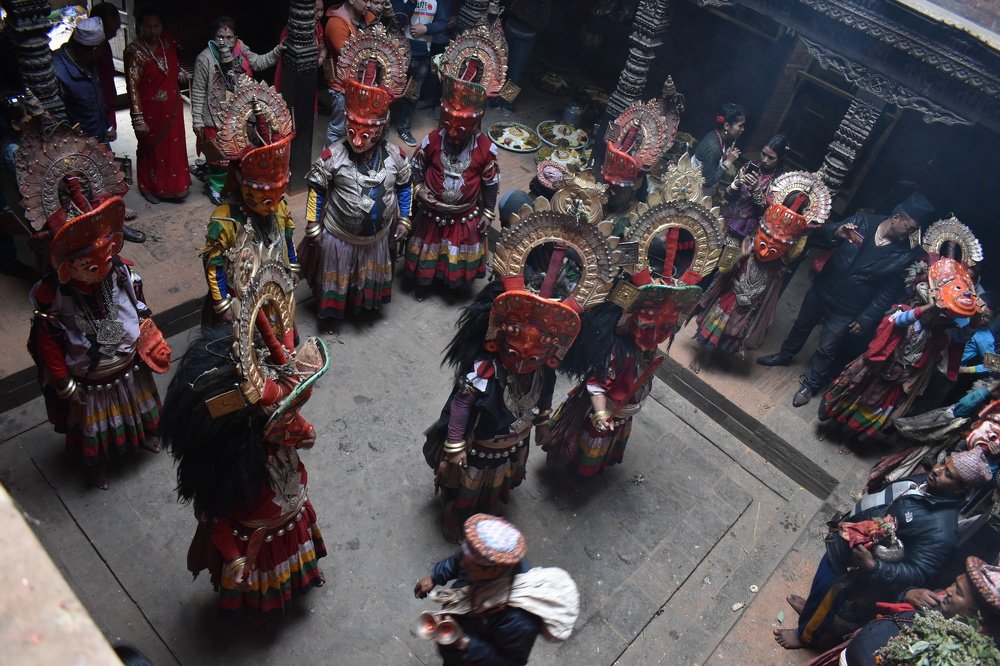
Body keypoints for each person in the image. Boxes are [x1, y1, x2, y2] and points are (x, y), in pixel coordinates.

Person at [161, 237, 330, 618]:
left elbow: (299, 431)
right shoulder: (229, 468)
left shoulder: (275, 434)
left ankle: (304, 576)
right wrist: (236, 560)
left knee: (297, 550)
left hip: (287, 510)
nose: (304, 428)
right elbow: (217, 522)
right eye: (288, 415)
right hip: (258, 533)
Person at [773, 449, 993, 650]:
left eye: (948, 474)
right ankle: (813, 611)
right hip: (847, 541)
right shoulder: (927, 483)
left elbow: (917, 572)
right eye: (942, 463)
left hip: (855, 562)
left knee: (830, 588)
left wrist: (872, 565)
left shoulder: (941, 532)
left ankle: (806, 635)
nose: (937, 470)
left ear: (961, 488)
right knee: (822, 585)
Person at [27, 190, 166, 490]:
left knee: (141, 404)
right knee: (92, 425)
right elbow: (47, 342)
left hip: (128, 361)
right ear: (67, 267)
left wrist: (148, 337)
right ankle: (95, 465)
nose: (102, 268)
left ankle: (148, 435)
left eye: (106, 259)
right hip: (89, 377)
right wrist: (63, 383)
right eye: (92, 266)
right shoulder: (53, 296)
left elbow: (137, 303)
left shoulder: (119, 272)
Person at [423, 278, 581, 541]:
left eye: (532, 358)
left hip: (514, 443)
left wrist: (543, 422)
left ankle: (487, 504)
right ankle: (455, 512)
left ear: (549, 353)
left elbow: (545, 396)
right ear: (499, 340)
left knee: (498, 481)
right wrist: (454, 445)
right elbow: (461, 405)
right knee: (466, 486)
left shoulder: (544, 371)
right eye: (513, 353)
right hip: (479, 445)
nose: (521, 364)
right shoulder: (484, 369)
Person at [757, 193, 935, 407]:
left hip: (849, 306)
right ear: (896, 218)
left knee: (827, 347)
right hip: (823, 288)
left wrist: (865, 318)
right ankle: (784, 356)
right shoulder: (862, 221)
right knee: (801, 326)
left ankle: (811, 385)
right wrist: (836, 232)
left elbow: (887, 292)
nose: (911, 233)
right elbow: (819, 237)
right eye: (910, 227)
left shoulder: (904, 254)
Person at [299, 25, 412, 325]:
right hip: (339, 237)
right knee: (336, 280)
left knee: (363, 282)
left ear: (382, 128)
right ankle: (335, 315)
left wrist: (405, 218)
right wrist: (312, 225)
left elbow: (404, 185)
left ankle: (362, 309)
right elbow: (317, 189)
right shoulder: (333, 156)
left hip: (375, 241)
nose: (358, 141)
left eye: (368, 134)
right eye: (352, 132)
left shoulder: (396, 157)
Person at [542, 270, 701, 476]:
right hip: (603, 413)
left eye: (665, 329)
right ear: (627, 319)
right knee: (581, 443)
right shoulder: (617, 352)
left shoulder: (647, 349)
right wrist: (600, 415)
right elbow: (597, 385)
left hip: (620, 413)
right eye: (647, 327)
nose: (654, 336)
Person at [819, 248, 980, 444]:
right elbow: (901, 320)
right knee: (852, 393)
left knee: (874, 406)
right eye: (933, 313)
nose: (935, 317)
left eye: (940, 315)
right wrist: (931, 306)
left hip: (897, 376)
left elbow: (957, 339)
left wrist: (973, 322)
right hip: (876, 366)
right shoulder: (905, 312)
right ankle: (831, 428)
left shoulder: (940, 331)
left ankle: (850, 436)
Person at [688, 173, 831, 374]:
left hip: (768, 274)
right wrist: (741, 256)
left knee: (744, 316)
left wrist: (803, 234)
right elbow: (724, 269)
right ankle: (703, 354)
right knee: (724, 310)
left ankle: (722, 351)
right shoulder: (758, 230)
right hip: (747, 263)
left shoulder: (798, 235)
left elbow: (792, 255)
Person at [413, 514, 580, 664]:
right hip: (457, 639)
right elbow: (457, 561)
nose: (462, 565)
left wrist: (463, 643)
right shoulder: (478, 561)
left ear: (493, 571)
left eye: (468, 565)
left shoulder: (518, 621)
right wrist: (435, 577)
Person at [200, 77, 298, 325]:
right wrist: (221, 302)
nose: (274, 207)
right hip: (240, 304)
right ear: (243, 184)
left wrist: (292, 267)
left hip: (275, 297)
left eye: (277, 196)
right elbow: (214, 264)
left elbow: (286, 238)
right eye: (265, 198)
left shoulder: (280, 208)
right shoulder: (225, 220)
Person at [401, 73, 499, 299]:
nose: (453, 135)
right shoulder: (433, 139)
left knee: (454, 257)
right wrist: (419, 189)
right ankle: (424, 283)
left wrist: (487, 211)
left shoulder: (485, 149)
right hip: (431, 214)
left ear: (474, 125)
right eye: (449, 127)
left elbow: (490, 182)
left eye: (461, 130)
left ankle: (450, 287)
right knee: (428, 250)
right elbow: (415, 166)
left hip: (463, 217)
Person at [839, 555, 1000, 663]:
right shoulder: (938, 598)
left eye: (958, 592)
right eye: (954, 583)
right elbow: (900, 608)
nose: (949, 590)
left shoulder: (962, 656)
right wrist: (907, 593)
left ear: (977, 614)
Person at [191, 17, 282, 205]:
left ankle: (233, 186)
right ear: (213, 37)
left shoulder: (242, 50)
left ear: (236, 38)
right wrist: (197, 122)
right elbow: (198, 91)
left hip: (240, 115)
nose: (224, 41)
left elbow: (259, 62)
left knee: (239, 155)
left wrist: (278, 51)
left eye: (229, 37)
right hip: (215, 116)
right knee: (218, 159)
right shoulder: (205, 59)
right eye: (220, 37)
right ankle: (215, 186)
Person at [124, 7, 191, 204]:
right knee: (149, 149)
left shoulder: (167, 43)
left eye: (156, 26)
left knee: (173, 148)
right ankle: (148, 187)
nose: (152, 31)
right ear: (139, 28)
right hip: (149, 111)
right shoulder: (134, 52)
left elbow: (173, 66)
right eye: (147, 27)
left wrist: (179, 73)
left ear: (162, 27)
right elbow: (132, 86)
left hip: (172, 108)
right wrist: (138, 118)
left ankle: (176, 186)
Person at [391, 0, 449, 147]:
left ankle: (403, 128)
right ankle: (382, 125)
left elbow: (443, 22)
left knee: (412, 93)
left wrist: (426, 28)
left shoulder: (436, 1)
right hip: (399, 53)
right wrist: (411, 2)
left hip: (422, 54)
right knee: (390, 88)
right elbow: (398, 20)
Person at [323, 0, 376, 145]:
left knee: (358, 126)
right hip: (342, 86)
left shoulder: (369, 17)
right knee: (339, 129)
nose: (369, 4)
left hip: (363, 83)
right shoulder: (336, 23)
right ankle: (329, 163)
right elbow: (352, 57)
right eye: (365, 0)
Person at [720, 134, 789, 243]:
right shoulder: (750, 166)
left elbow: (767, 213)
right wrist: (737, 183)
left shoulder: (779, 181)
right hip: (727, 219)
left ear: (780, 159)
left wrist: (756, 189)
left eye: (771, 158)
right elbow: (728, 196)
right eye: (763, 154)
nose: (765, 160)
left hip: (747, 232)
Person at [498, 0, 551, 117]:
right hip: (509, 30)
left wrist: (522, 14)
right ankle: (493, 99)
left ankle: (506, 103)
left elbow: (542, 24)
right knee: (500, 67)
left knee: (516, 74)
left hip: (526, 39)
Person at [692, 103, 745, 198]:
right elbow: (707, 182)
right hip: (694, 193)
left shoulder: (717, 136)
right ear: (727, 125)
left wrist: (725, 157)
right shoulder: (713, 148)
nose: (742, 130)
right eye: (740, 126)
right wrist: (728, 162)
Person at [88, 3, 120, 143]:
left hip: (107, 104)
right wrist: (107, 124)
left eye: (115, 31)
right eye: (109, 32)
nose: (113, 35)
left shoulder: (104, 45)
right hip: (94, 113)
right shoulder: (89, 52)